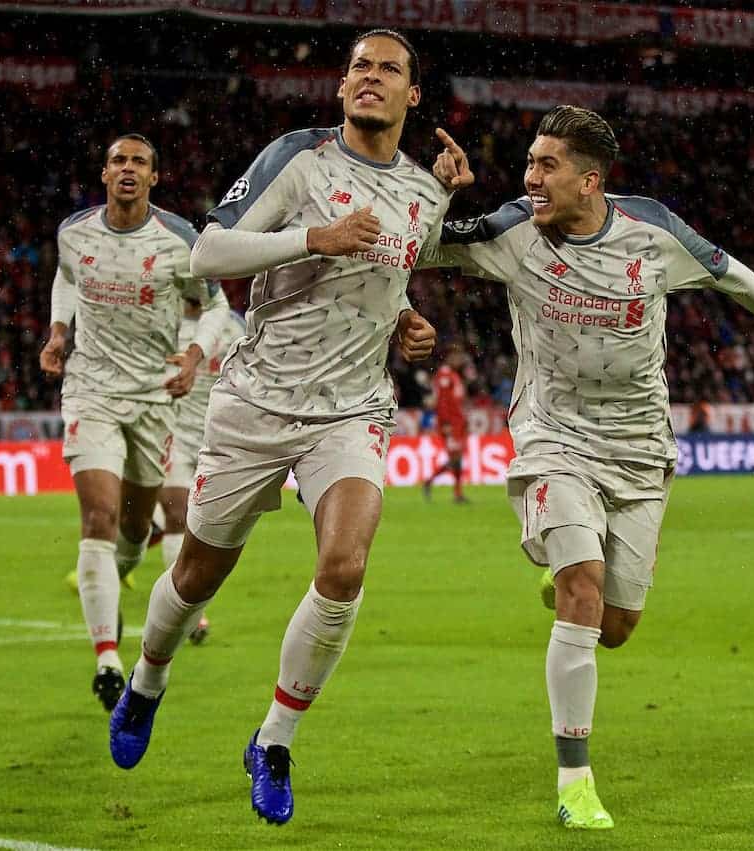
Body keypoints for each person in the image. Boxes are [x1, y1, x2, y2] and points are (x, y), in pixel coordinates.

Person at [419, 105, 754, 829]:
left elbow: (728, 272)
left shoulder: (652, 231)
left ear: (591, 180)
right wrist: (439, 194)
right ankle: (575, 779)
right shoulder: (512, 231)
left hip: (639, 446)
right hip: (551, 435)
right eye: (529, 162)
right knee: (583, 589)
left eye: (546, 165)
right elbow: (420, 248)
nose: (530, 176)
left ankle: (565, 580)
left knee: (614, 624)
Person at [107, 29, 457, 826]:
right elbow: (208, 254)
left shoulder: (422, 191)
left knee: (344, 567)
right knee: (197, 574)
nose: (370, 77)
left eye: (388, 69)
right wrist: (314, 236)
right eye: (359, 67)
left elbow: (392, 273)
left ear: (413, 96)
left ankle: (273, 740)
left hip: (353, 408)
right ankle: (148, 678)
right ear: (341, 88)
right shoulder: (297, 158)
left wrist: (407, 321)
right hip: (258, 398)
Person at [39, 134, 230, 713]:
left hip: (154, 398)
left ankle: (117, 576)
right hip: (91, 391)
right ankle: (106, 658)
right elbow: (67, 277)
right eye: (118, 161)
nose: (127, 169)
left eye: (138, 162)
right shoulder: (75, 232)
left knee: (132, 528)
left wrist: (195, 355)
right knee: (97, 516)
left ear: (154, 177)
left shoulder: (179, 241)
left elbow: (217, 306)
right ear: (103, 174)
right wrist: (58, 331)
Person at [155, 298, 247, 644]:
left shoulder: (234, 325)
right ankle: (186, 614)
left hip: (218, 439)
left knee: (209, 528)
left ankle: (131, 545)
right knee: (177, 515)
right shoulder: (166, 322)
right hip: (173, 433)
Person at [423, 343, 470, 503]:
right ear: (449, 357)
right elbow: (442, 402)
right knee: (455, 459)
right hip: (449, 423)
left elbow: (456, 401)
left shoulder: (454, 375)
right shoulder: (444, 375)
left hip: (457, 423)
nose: (459, 360)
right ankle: (430, 481)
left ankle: (457, 494)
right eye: (456, 356)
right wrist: (446, 423)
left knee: (458, 458)